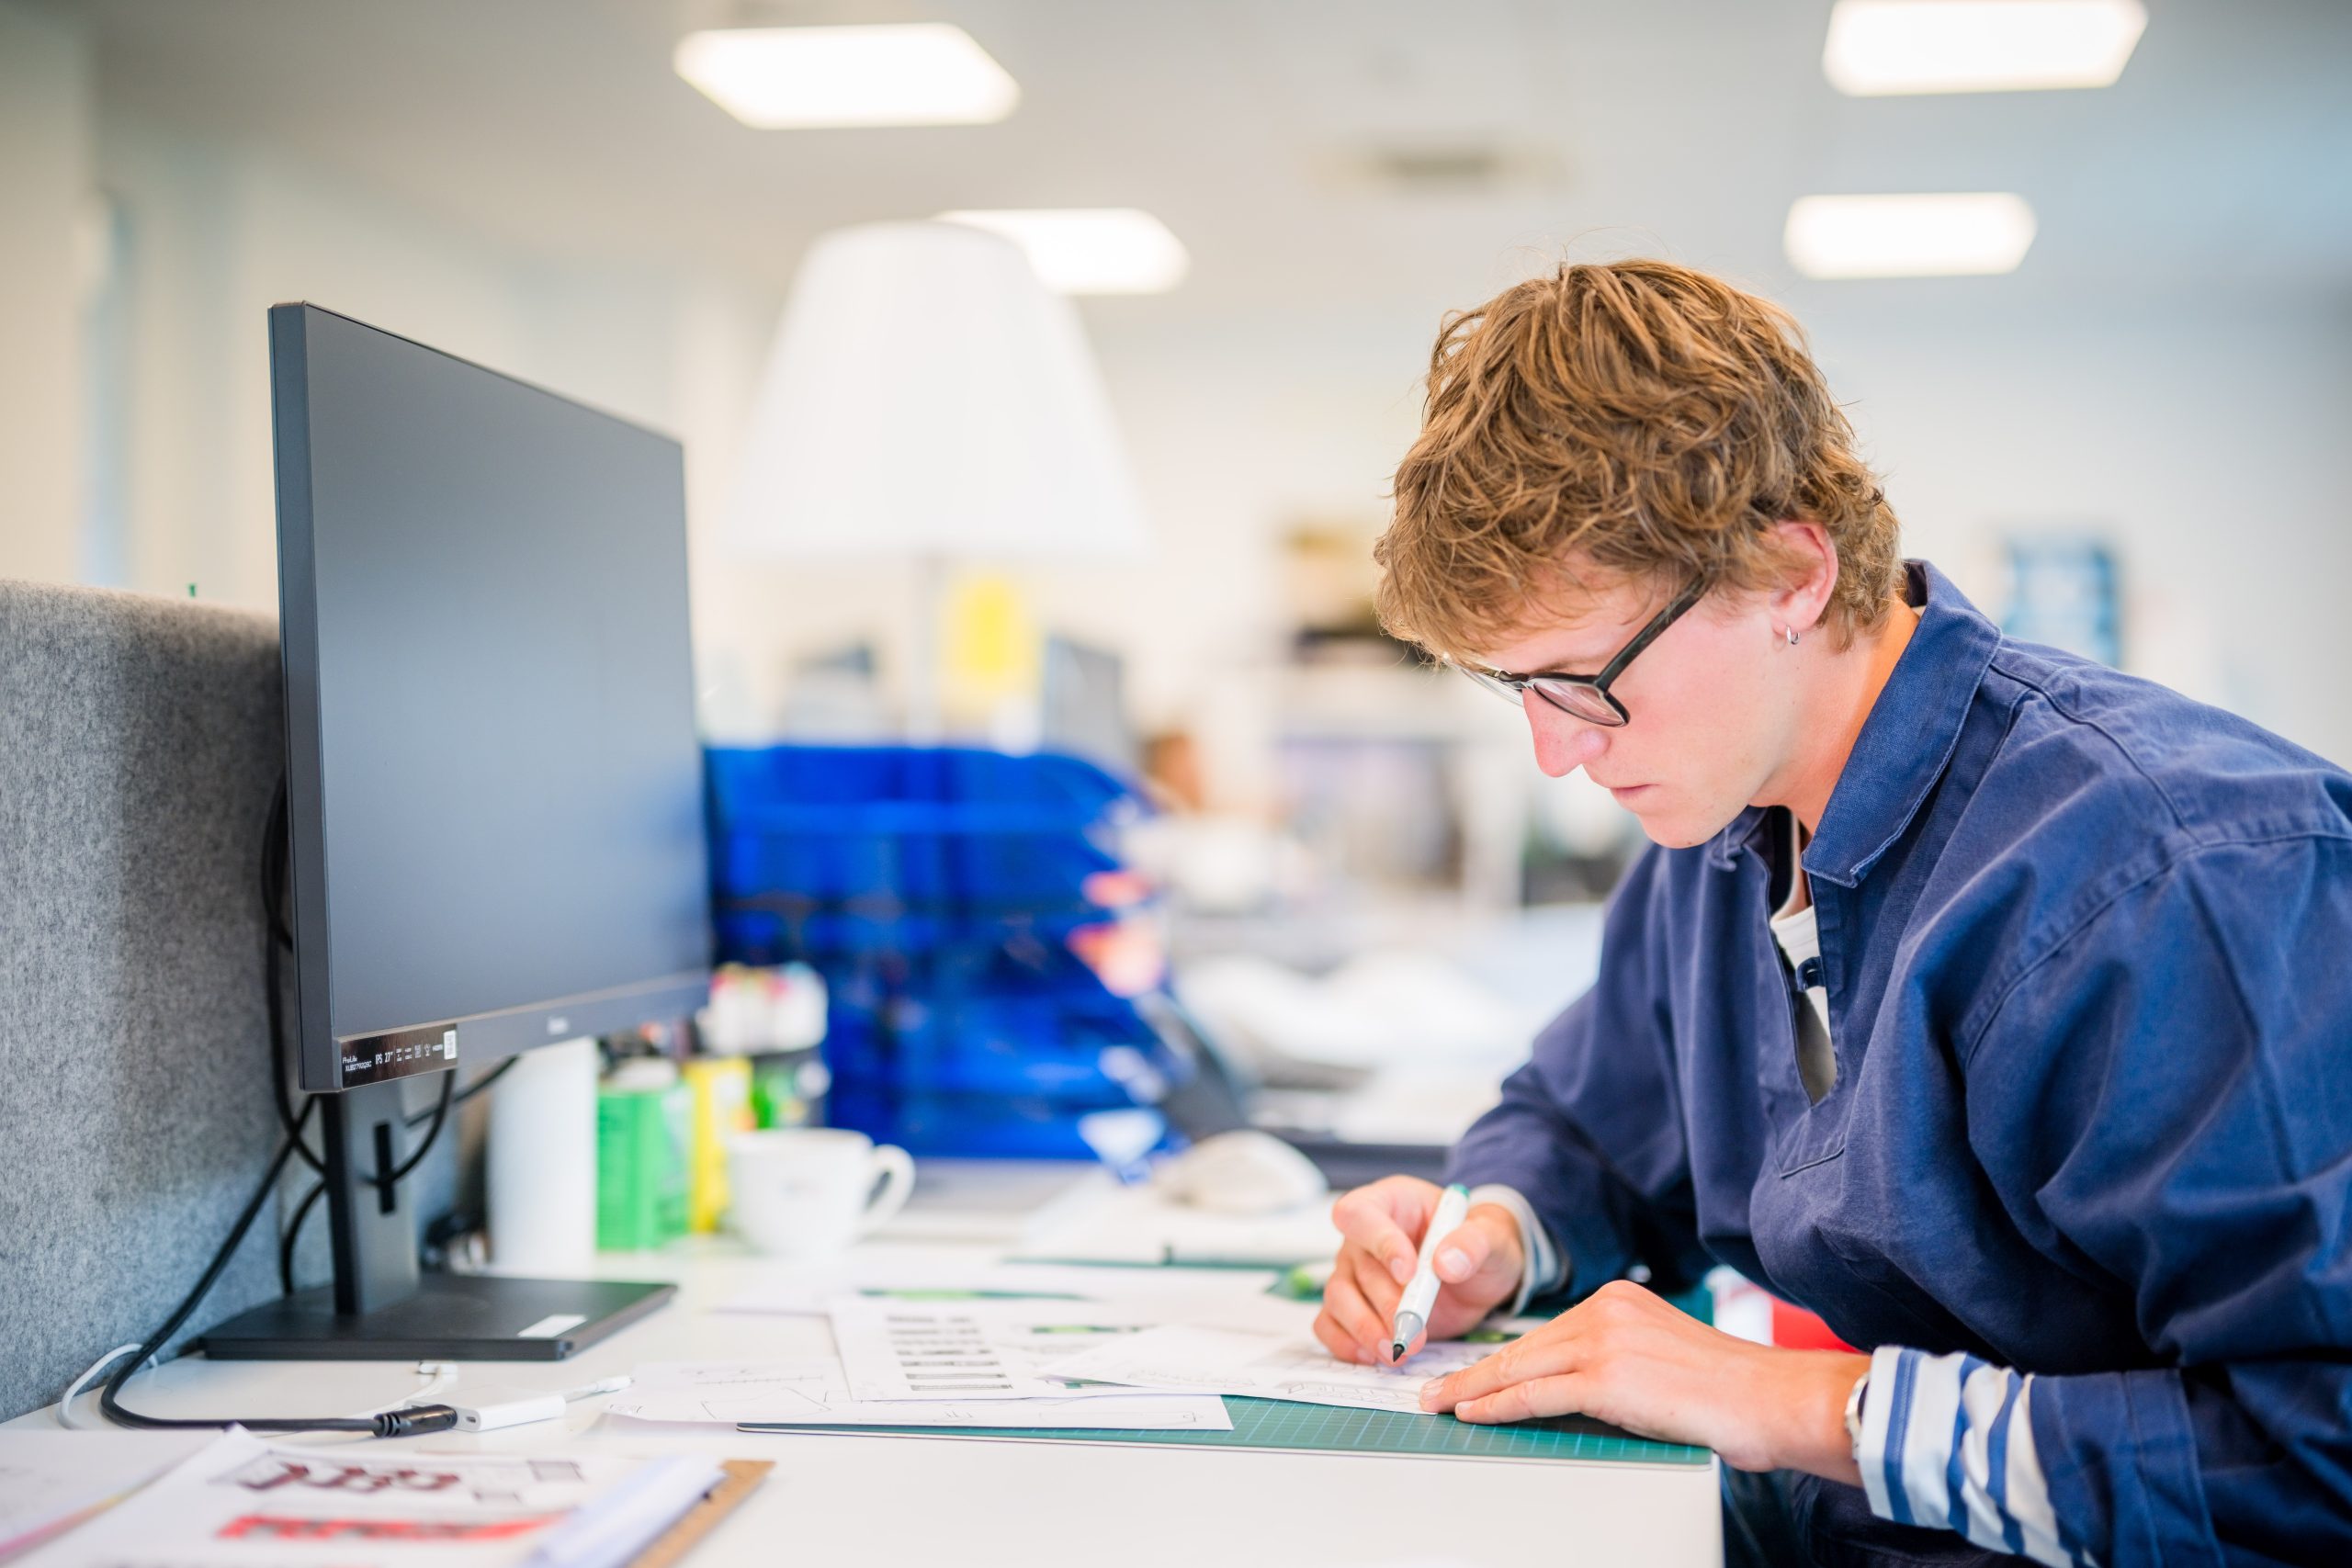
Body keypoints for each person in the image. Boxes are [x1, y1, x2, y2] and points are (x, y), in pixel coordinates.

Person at [1311, 259, 2352, 1567]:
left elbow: (2316, 1450)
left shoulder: (2163, 875)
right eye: (1513, 688)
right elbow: (1587, 1120)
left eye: (1585, 681)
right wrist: (1490, 1240)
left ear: (1794, 572)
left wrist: (1801, 1406)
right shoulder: (1719, 827)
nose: (1555, 756)